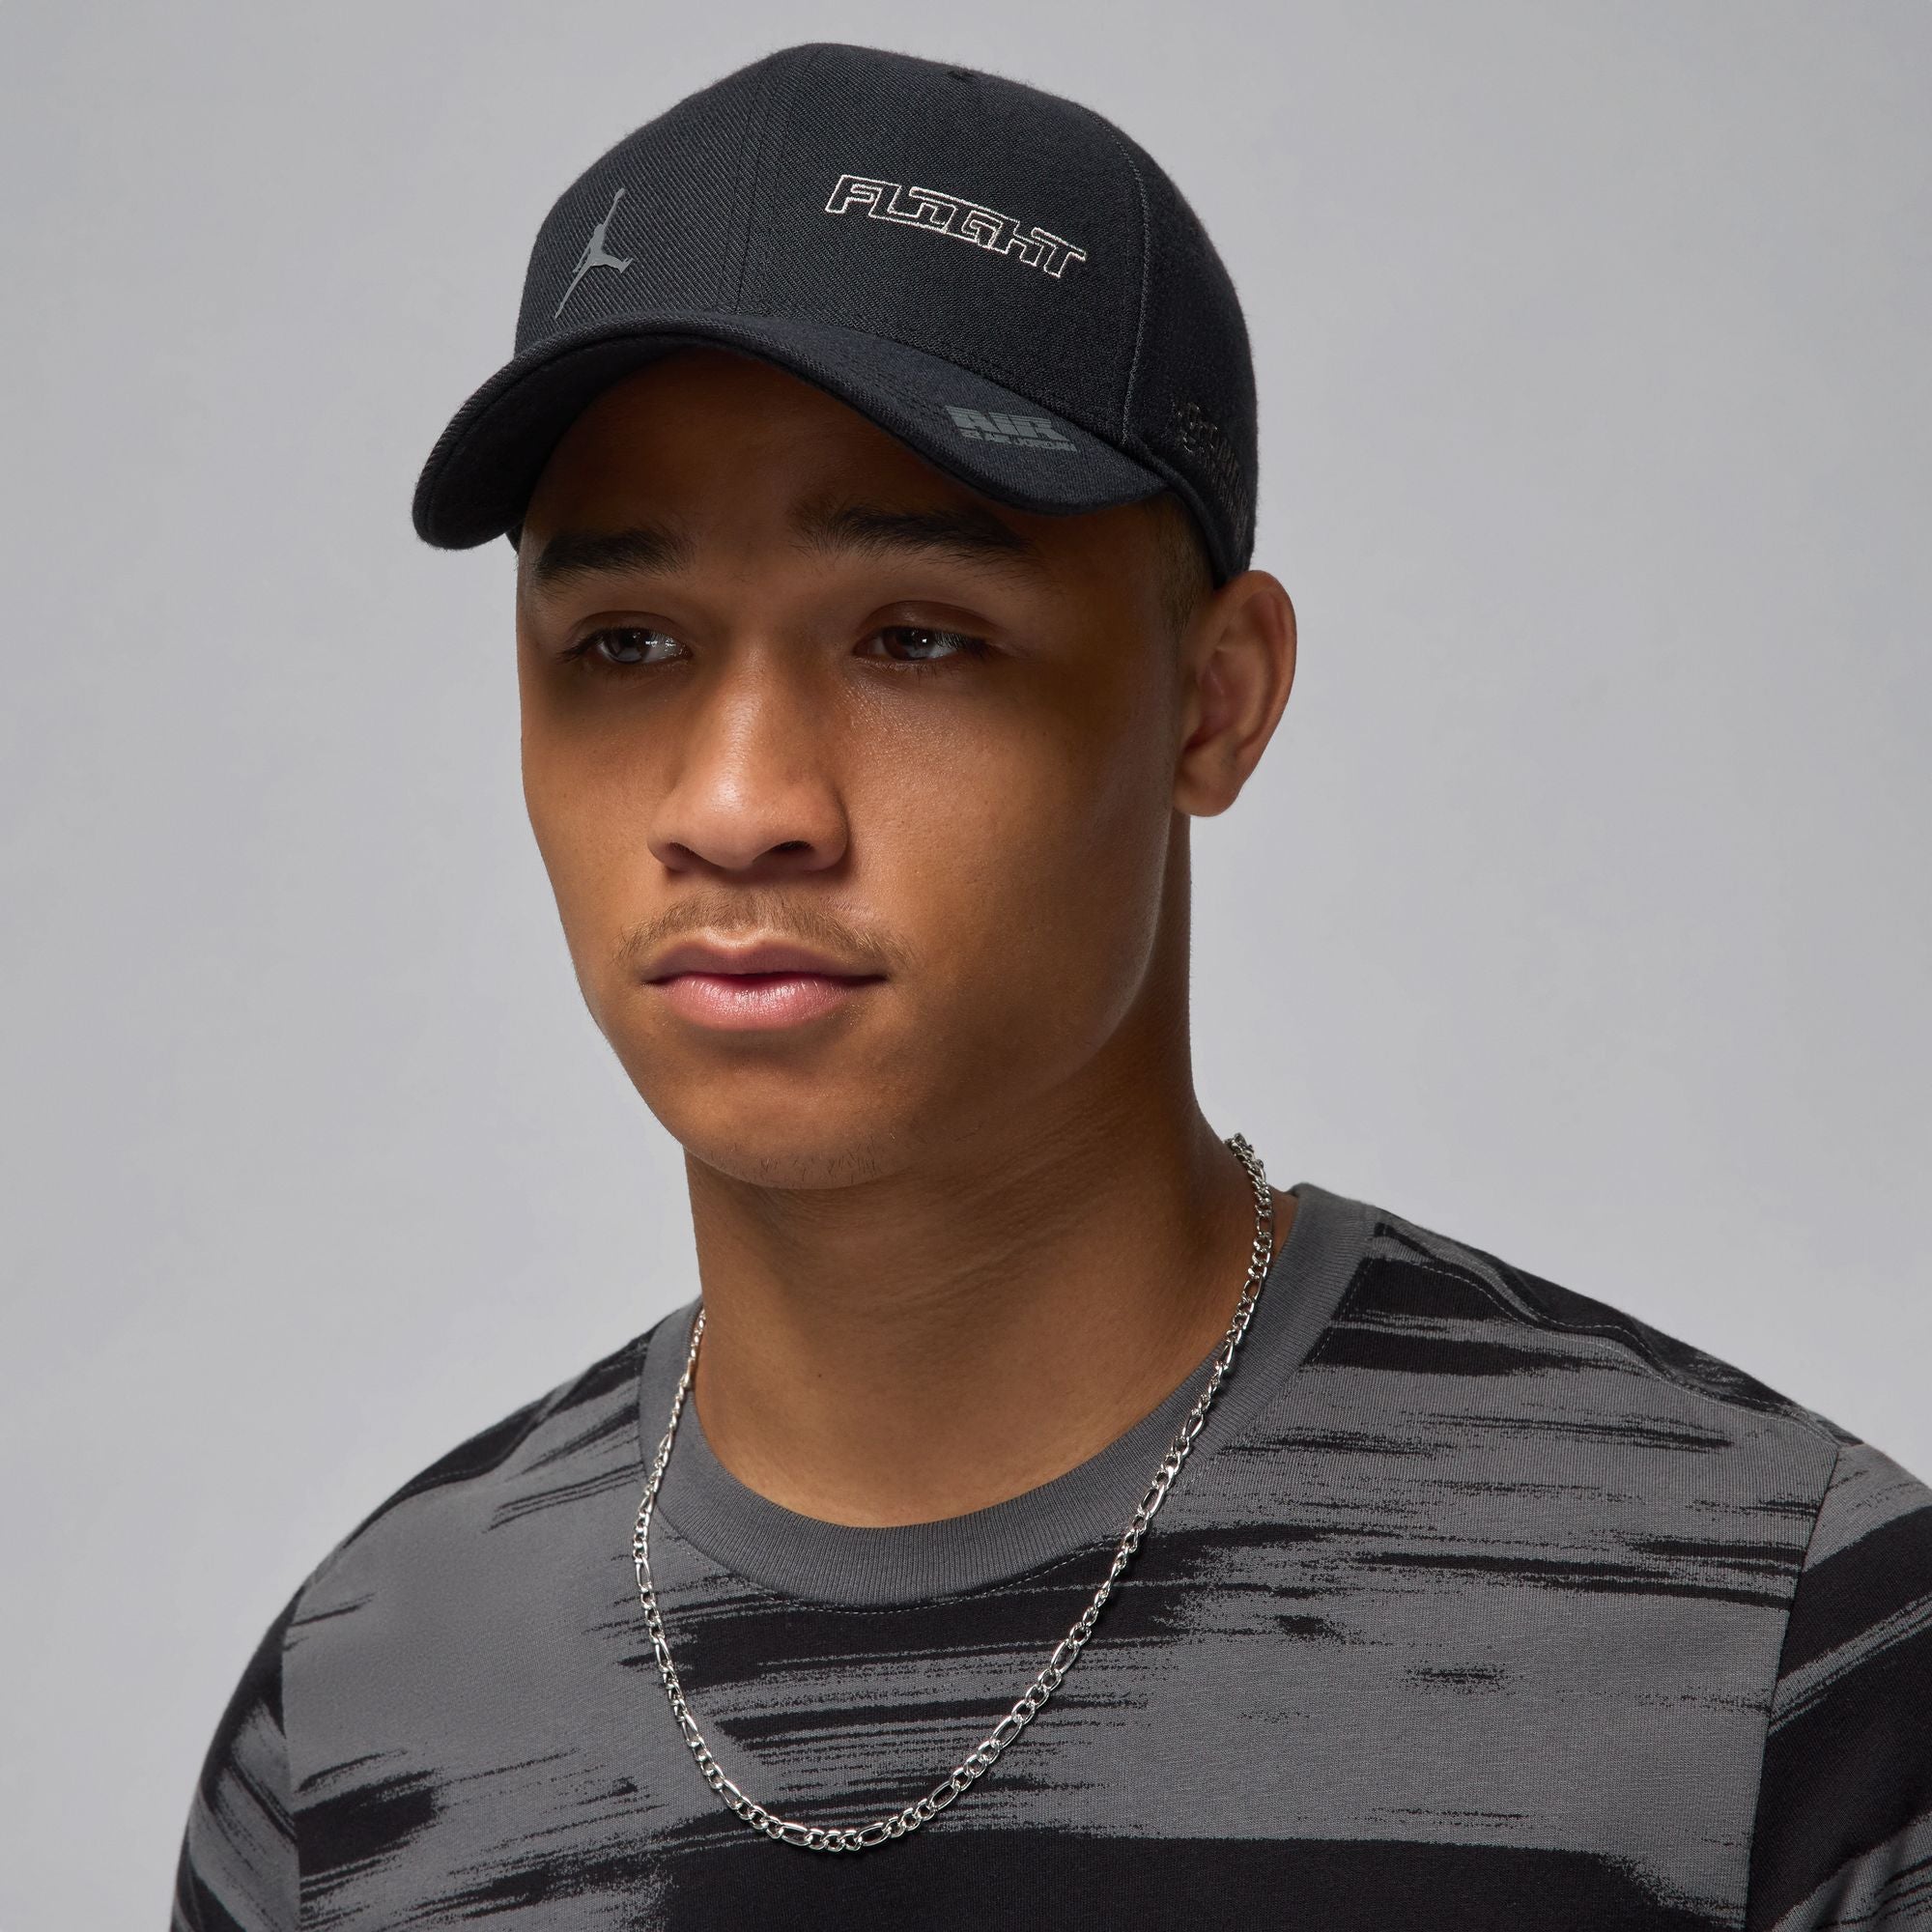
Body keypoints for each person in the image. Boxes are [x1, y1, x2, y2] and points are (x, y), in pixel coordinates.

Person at [171, 41, 1932, 1932]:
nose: (739, 804)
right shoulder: (358, 1727)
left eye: (916, 637)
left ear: (1216, 699)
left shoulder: (1785, 1664)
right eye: (624, 644)